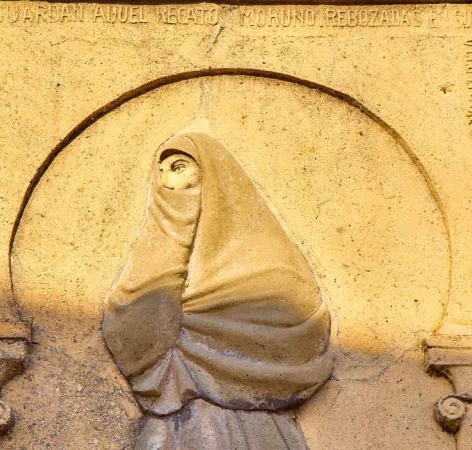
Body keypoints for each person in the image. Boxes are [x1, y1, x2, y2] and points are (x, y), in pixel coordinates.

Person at [103, 132, 334, 449]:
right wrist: (171, 237)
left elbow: (301, 337)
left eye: (179, 167)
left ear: (213, 176)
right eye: (161, 174)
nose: (167, 183)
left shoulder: (273, 273)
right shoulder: (155, 261)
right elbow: (132, 330)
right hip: (175, 429)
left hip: (257, 430)